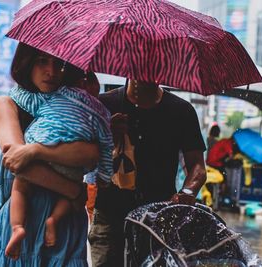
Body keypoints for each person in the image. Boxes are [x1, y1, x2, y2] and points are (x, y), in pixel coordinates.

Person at [0, 43, 103, 266]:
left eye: (59, 64)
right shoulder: (7, 105)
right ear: (26, 63)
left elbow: (91, 154)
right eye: (42, 61)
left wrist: (35, 150)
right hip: (19, 229)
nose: (52, 72)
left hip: (62, 232)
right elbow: (17, 162)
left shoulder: (75, 111)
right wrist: (73, 190)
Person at [88, 80, 207, 266]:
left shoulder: (181, 111)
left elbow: (197, 166)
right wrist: (105, 134)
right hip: (109, 216)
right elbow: (84, 162)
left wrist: (188, 192)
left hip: (159, 221)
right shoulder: (104, 105)